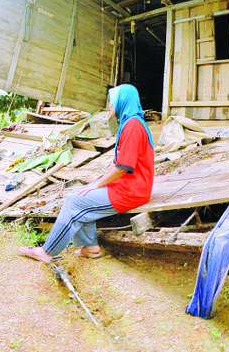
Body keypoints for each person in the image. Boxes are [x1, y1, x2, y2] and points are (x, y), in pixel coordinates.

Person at [18, 84, 154, 263]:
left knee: (76, 201)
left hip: (131, 191)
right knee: (82, 193)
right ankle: (90, 248)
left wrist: (98, 184)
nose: (110, 106)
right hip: (131, 185)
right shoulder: (130, 122)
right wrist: (97, 184)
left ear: (123, 101)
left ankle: (47, 251)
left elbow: (122, 166)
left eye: (113, 101)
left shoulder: (133, 126)